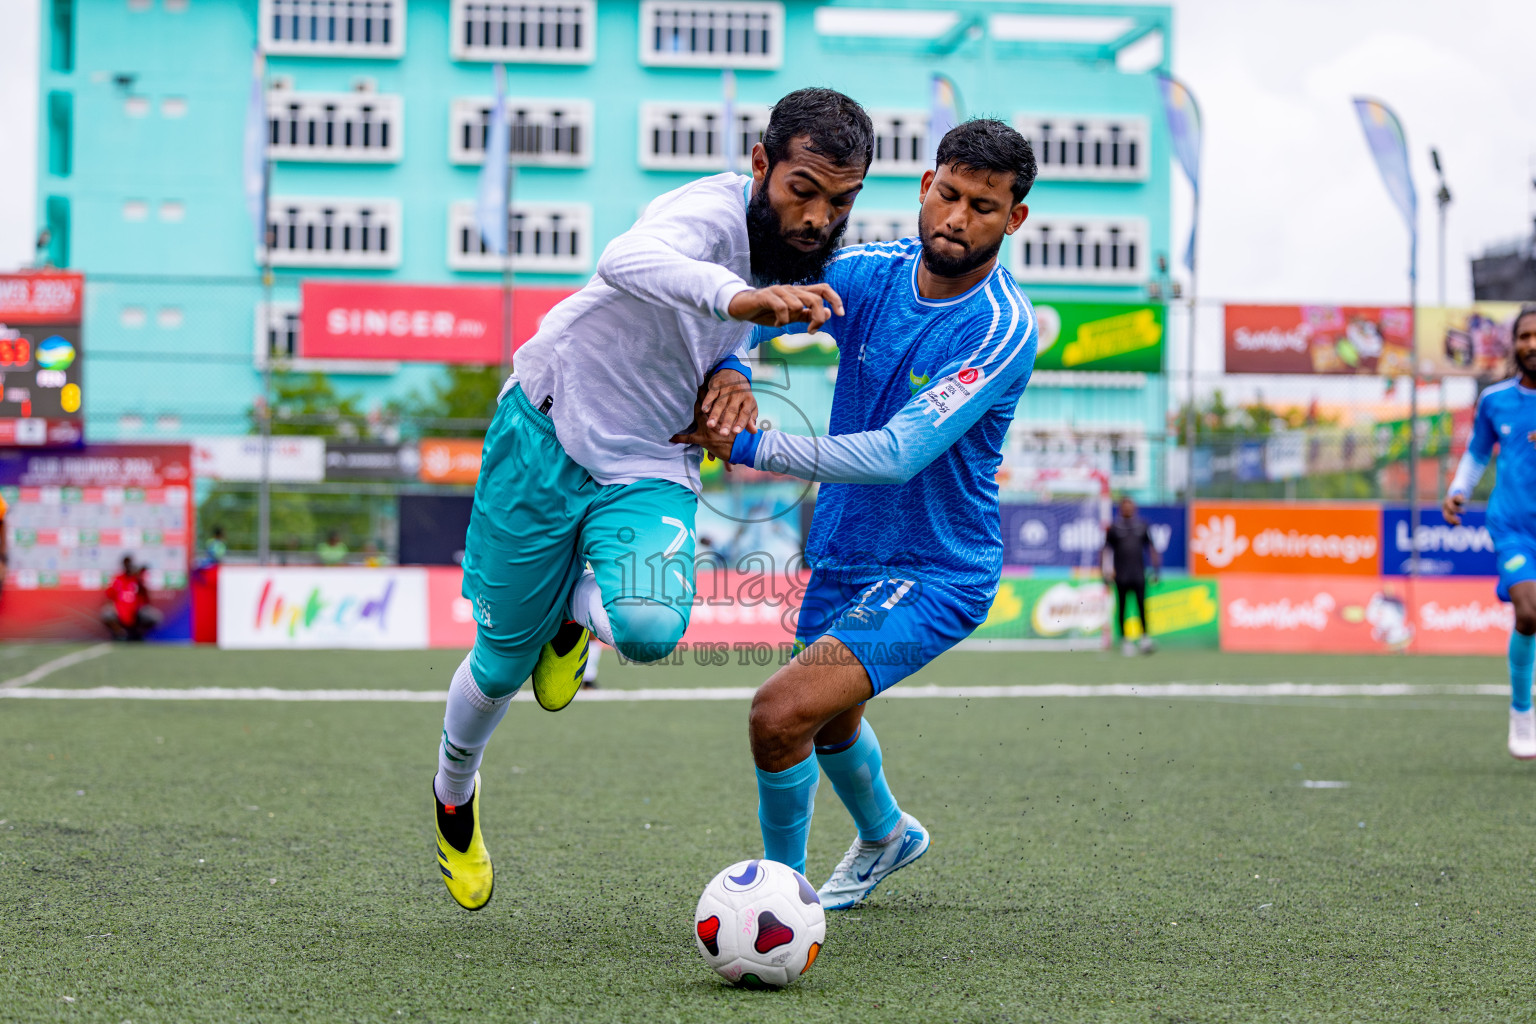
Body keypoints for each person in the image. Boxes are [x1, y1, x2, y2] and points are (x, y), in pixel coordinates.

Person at [430, 88, 876, 912]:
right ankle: (454, 797)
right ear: (760, 165)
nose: (818, 217)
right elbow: (626, 262)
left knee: (645, 629)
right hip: (547, 428)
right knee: (498, 667)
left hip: (650, 458)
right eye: (802, 190)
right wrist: (741, 303)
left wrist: (736, 368)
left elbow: (726, 330)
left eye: (840, 201)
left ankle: (573, 619)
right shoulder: (703, 214)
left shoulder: (799, 250)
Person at [676, 118, 1037, 909]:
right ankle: (888, 836)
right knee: (831, 722)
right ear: (923, 187)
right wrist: (734, 362)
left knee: (780, 713)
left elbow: (896, 454)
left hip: (938, 573)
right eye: (947, 194)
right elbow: (764, 278)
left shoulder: (1001, 327)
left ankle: (778, 898)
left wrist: (750, 444)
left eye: (983, 206)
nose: (956, 217)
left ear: (1013, 219)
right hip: (842, 548)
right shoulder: (871, 271)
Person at [1444, 303, 1536, 759]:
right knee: (1528, 613)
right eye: (1524, 336)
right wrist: (1459, 489)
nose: (1532, 344)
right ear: (1514, 344)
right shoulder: (1495, 400)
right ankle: (1522, 714)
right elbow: (1478, 452)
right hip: (1513, 525)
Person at [1103, 495, 1161, 656]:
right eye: (1124, 506)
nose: (1127, 508)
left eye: (1130, 506)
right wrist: (1105, 572)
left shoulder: (1142, 526)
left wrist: (1156, 570)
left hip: (1138, 575)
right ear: (1120, 508)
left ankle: (1145, 638)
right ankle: (1125, 641)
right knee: (1122, 608)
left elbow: (1151, 548)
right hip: (1120, 576)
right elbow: (1106, 550)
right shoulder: (1114, 528)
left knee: (1142, 607)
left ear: (1134, 508)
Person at [101, 556, 162, 641]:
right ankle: (121, 634)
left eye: (130, 564)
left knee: (153, 616)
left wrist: (138, 577)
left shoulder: (137, 579)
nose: (128, 566)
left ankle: (137, 634)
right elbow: (109, 596)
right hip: (120, 610)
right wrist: (114, 607)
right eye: (126, 564)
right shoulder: (118, 578)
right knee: (107, 613)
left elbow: (146, 597)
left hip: (136, 612)